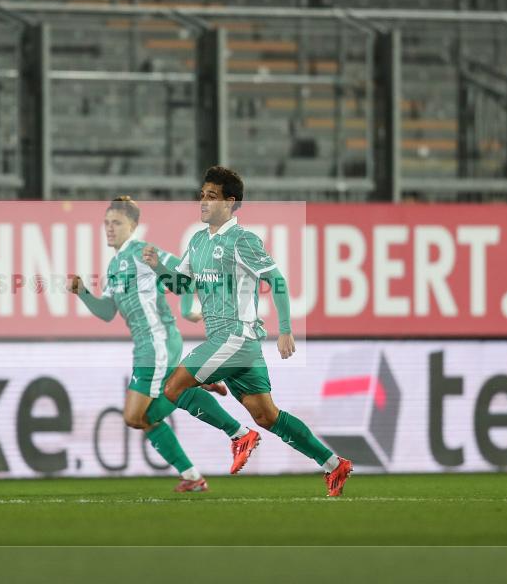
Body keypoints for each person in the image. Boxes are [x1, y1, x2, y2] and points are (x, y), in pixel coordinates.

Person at [142, 167, 353, 497]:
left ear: (230, 202)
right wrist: (157, 266)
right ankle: (332, 464)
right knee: (268, 417)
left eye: (211, 197)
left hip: (235, 337)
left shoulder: (243, 240)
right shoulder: (197, 241)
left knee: (173, 387)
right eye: (202, 195)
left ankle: (236, 434)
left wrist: (285, 330)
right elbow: (180, 284)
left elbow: (277, 281)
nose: (203, 202)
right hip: (233, 345)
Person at [69, 196, 260, 492]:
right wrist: (82, 292)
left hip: (158, 342)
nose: (109, 228)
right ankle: (195, 472)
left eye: (116, 222)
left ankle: (230, 428)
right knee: (148, 415)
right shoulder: (115, 265)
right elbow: (107, 312)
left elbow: (188, 274)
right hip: (147, 346)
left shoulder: (141, 252)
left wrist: (188, 309)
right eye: (106, 223)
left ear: (133, 225)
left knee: (136, 416)